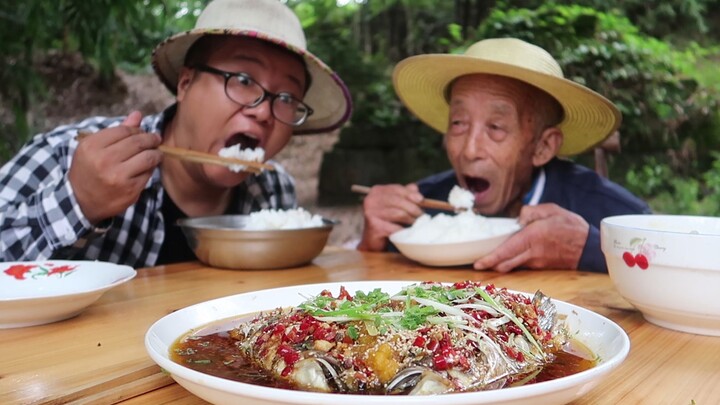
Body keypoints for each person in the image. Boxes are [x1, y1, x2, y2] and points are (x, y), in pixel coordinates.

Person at [0, 0, 351, 267]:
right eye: (243, 81)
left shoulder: (273, 188)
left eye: (287, 98)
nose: (262, 111)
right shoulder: (70, 154)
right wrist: (78, 202)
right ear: (185, 83)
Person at [358, 38, 650, 273]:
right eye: (458, 123)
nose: (469, 150)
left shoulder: (608, 211)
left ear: (542, 147)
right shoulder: (421, 206)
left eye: (496, 127)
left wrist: (588, 250)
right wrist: (373, 241)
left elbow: (678, 266)